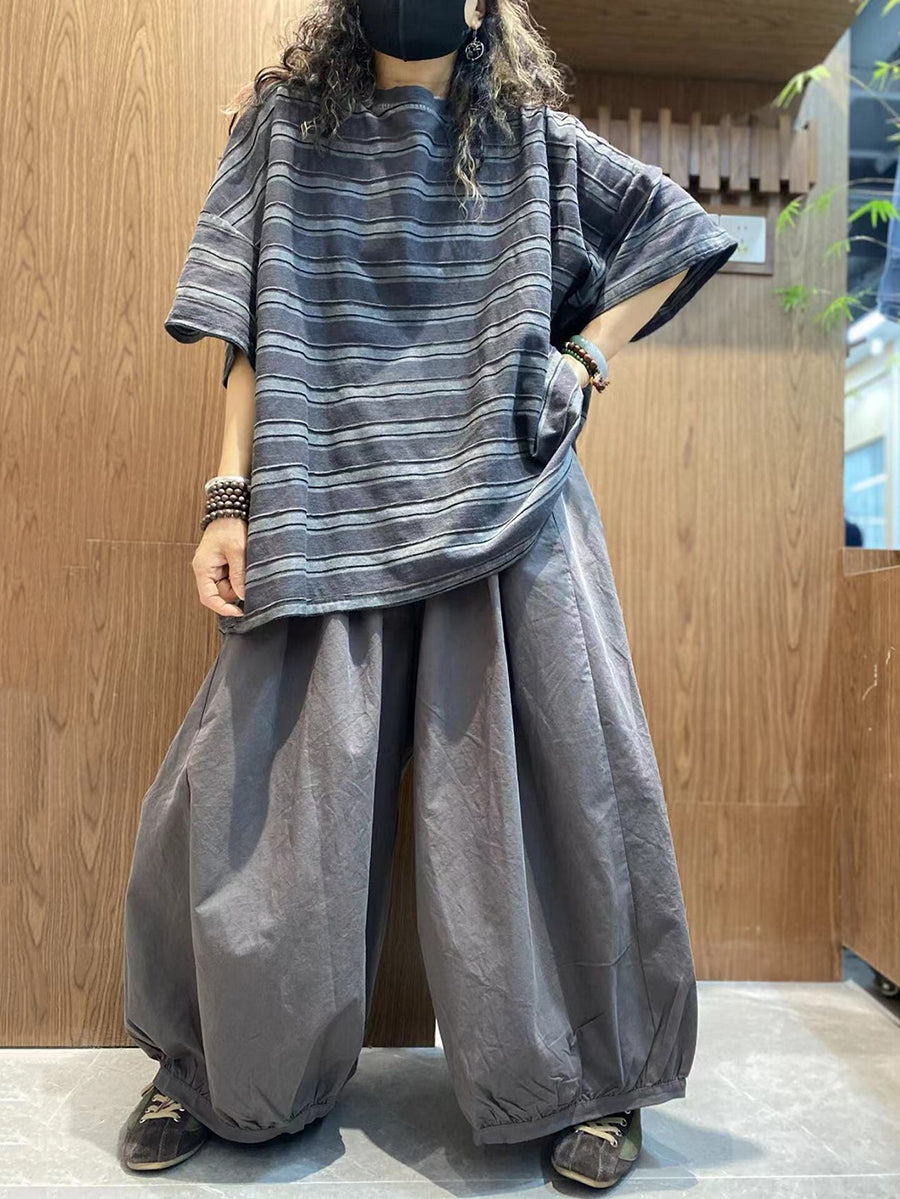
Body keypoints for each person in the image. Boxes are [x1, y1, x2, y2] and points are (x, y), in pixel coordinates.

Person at [118, 0, 739, 1188]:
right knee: (263, 809)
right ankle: (217, 1069)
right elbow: (246, 326)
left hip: (507, 503)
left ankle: (592, 1081)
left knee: (558, 795)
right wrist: (227, 497)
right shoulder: (284, 129)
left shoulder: (536, 141)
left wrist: (584, 355)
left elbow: (676, 228)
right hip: (322, 492)